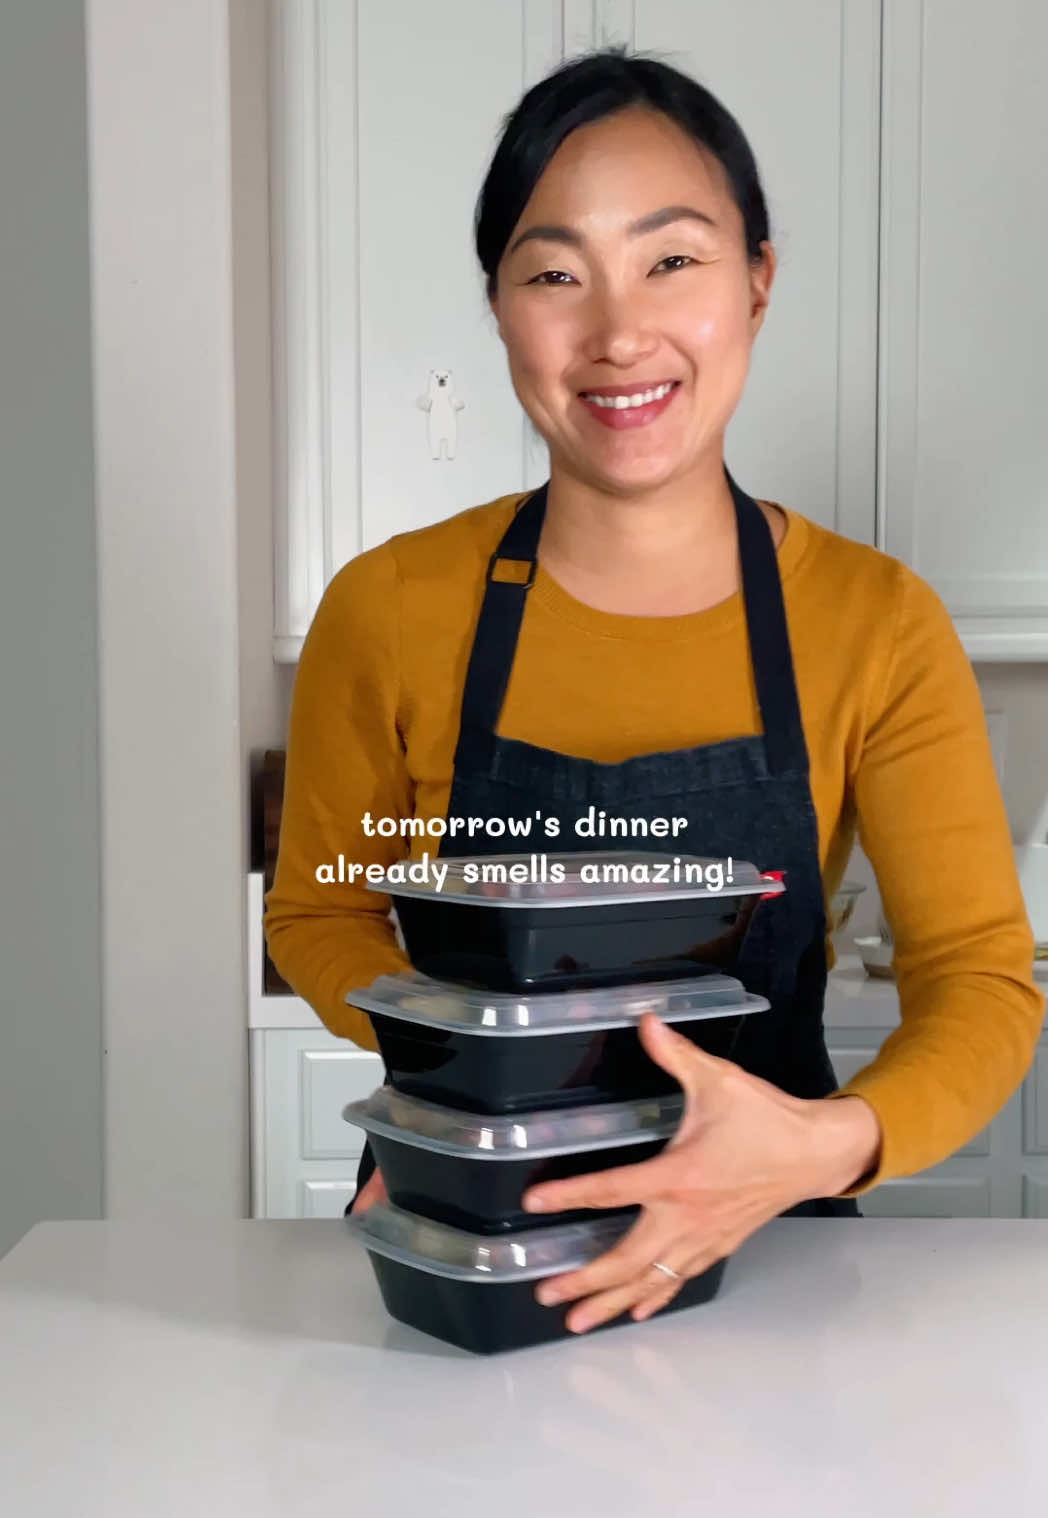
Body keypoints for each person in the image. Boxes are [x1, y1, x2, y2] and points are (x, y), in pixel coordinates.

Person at [264, 47, 1043, 1335]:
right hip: (475, 1225)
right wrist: (460, 1084)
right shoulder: (391, 606)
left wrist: (828, 1145)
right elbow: (319, 911)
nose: (618, 333)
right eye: (554, 273)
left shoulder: (875, 622)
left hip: (777, 1250)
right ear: (500, 306)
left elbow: (978, 978)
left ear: (758, 280)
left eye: (671, 259)